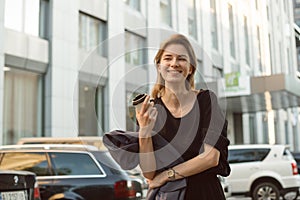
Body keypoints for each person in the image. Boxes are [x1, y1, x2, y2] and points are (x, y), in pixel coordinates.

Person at [135, 34, 230, 200]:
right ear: (159, 66)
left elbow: (210, 158)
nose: (174, 63)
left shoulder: (206, 101)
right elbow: (149, 173)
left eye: (181, 59)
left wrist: (166, 175)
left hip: (205, 193)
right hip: (170, 195)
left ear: (191, 68)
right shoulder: (150, 109)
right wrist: (144, 132)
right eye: (168, 58)